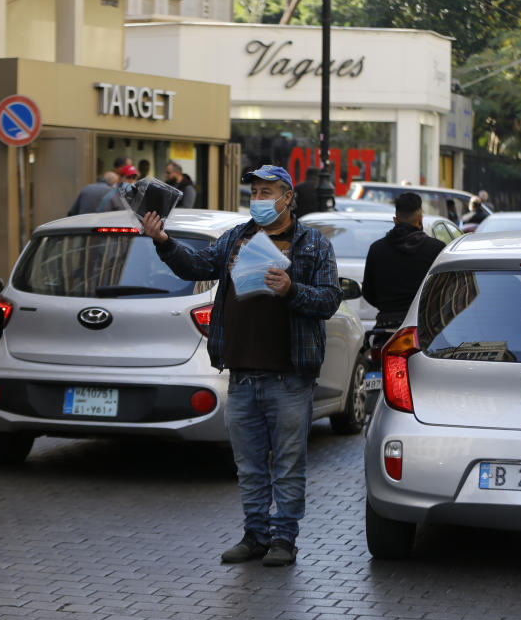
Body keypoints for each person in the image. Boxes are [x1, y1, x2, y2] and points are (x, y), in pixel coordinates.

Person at [140, 164, 342, 567]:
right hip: (243, 374)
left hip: (288, 377)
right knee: (249, 466)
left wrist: (291, 289)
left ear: (287, 197)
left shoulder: (313, 245)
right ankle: (255, 535)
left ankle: (284, 539)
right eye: (255, 192)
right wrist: (163, 241)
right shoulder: (236, 238)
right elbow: (197, 266)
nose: (260, 200)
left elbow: (329, 300)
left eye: (268, 192)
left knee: (287, 465)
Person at [362, 192, 446, 326]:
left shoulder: (376, 249)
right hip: (424, 325)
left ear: (395, 220)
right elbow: (444, 289)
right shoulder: (437, 249)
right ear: (420, 219)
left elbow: (368, 292)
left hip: (386, 325)